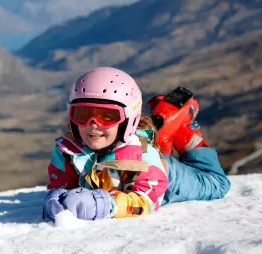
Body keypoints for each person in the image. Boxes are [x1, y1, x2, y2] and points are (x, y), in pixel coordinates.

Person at [43, 67, 231, 220]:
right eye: (82, 114)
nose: (93, 125)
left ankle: (184, 129)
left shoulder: (143, 156)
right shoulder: (67, 150)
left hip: (162, 179)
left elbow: (145, 201)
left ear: (128, 119)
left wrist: (105, 204)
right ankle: (162, 130)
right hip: (139, 166)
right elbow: (61, 186)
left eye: (107, 116)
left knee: (216, 184)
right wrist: (56, 199)